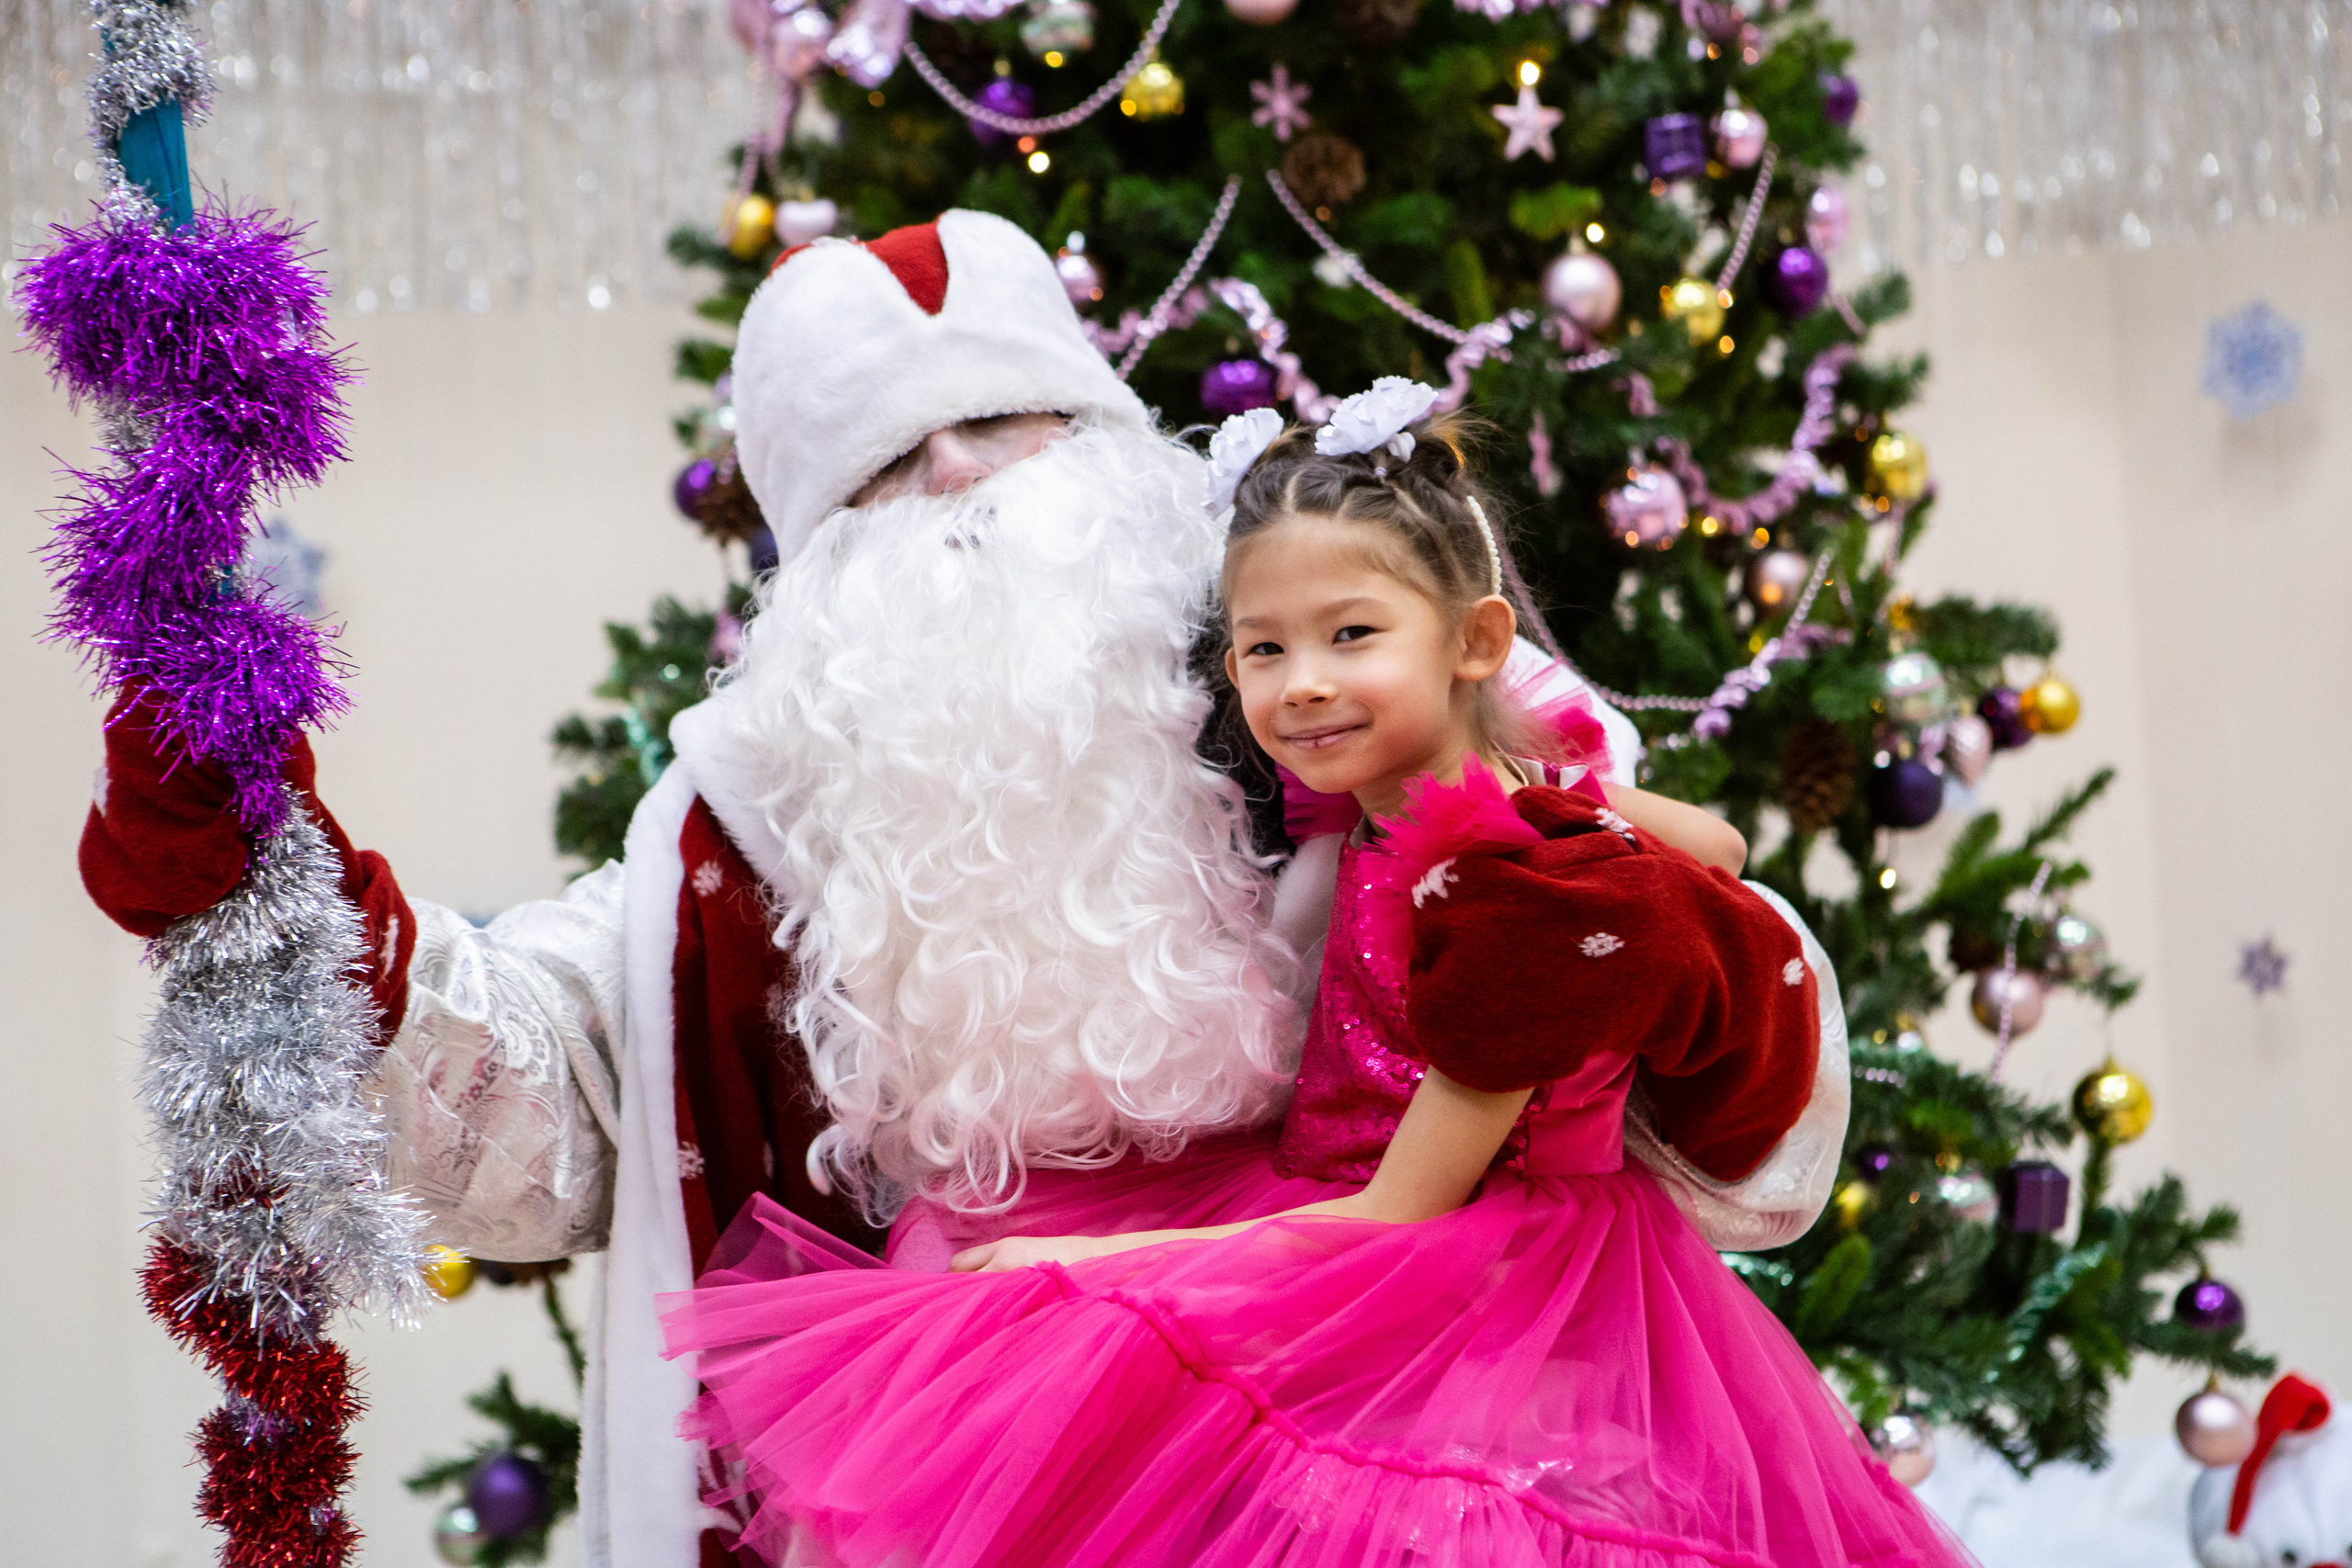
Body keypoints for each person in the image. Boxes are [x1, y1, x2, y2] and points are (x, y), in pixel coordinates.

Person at [74, 214, 1648, 1568]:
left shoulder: (1341, 676)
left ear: (1107, 439)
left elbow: (1624, 919)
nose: (959, 475)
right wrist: (278, 898)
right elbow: (541, 1108)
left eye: (1011, 420)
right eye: (889, 460)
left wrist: (1741, 1025)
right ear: (813, 556)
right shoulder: (744, 814)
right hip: (973, 1418)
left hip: (1387, 1361)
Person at [657, 387, 1949, 1567]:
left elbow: (1402, 1209)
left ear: (1478, 639)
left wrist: (1100, 1271)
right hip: (1355, 1208)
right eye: (1264, 651)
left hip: (1482, 1280)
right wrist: (1576, 789)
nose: (1303, 687)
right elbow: (1718, 845)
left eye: (1351, 635)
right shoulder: (1438, 799)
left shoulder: (1518, 907)